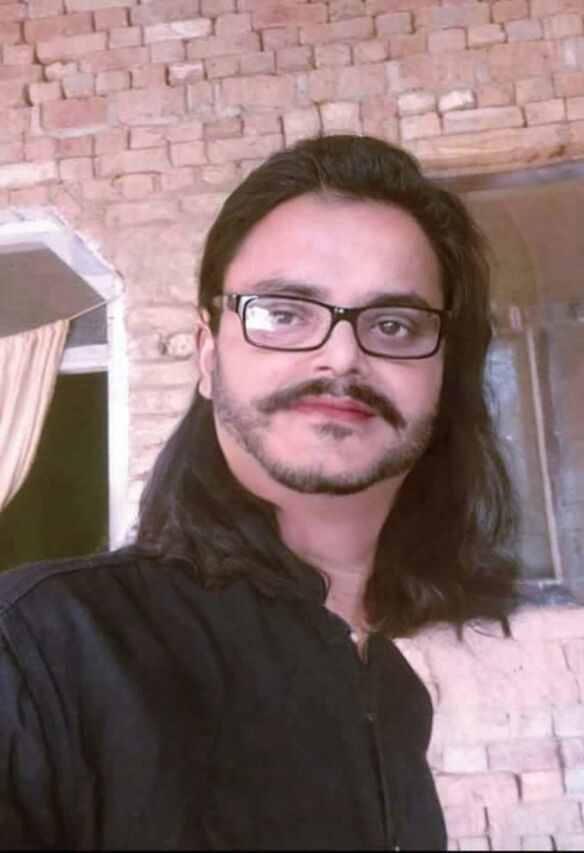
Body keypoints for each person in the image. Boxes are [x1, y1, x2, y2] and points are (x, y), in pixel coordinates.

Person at [0, 135, 518, 850]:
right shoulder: (37, 649)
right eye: (284, 313)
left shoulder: (397, 697)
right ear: (208, 353)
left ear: (443, 375)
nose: (341, 356)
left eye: (394, 325)